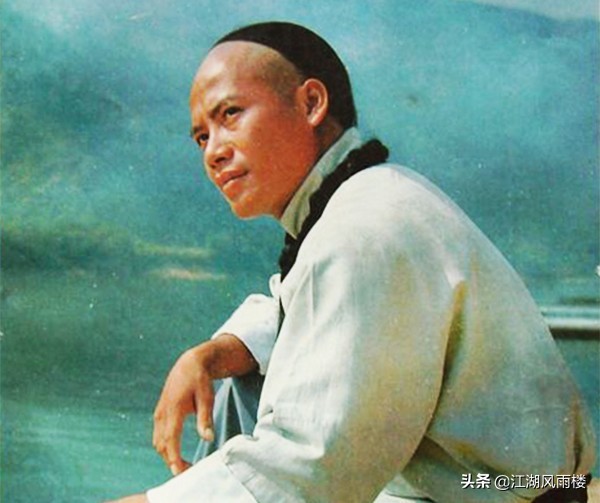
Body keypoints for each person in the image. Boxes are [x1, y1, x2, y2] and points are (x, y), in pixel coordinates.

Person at [108, 22, 596, 503]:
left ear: (311, 103)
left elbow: (307, 470)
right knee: (246, 386)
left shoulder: (363, 229)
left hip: (496, 495)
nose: (213, 152)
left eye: (230, 114)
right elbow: (304, 308)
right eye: (201, 137)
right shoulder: (363, 197)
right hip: (491, 487)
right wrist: (208, 356)